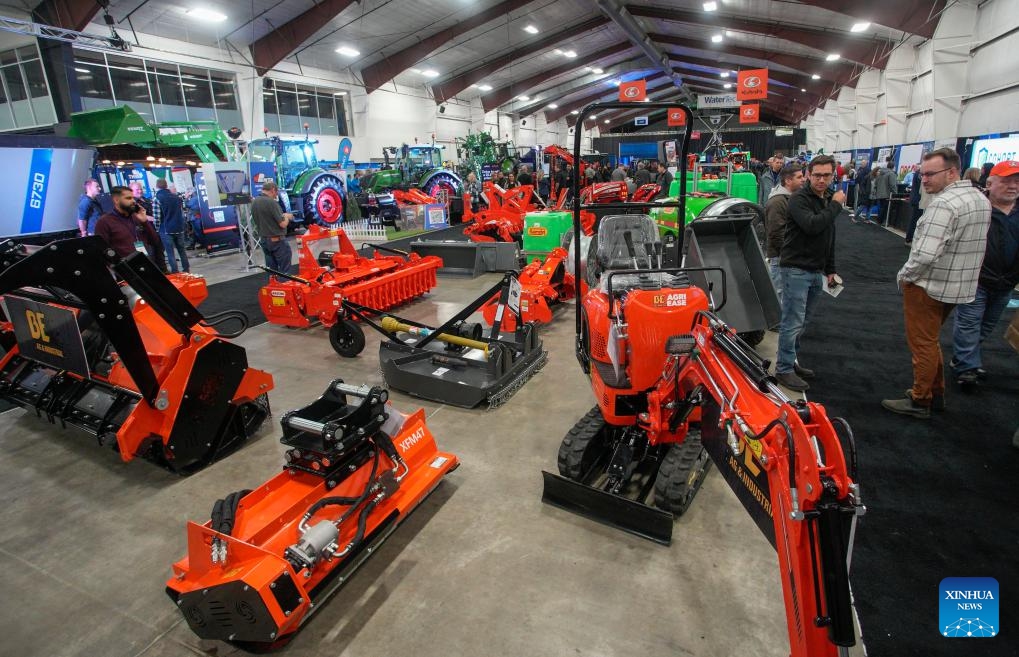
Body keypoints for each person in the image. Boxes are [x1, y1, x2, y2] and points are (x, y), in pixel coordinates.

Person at [882, 148, 991, 418]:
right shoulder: (979, 199)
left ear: (952, 172)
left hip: (928, 285)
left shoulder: (944, 204)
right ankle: (936, 392)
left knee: (922, 344)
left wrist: (905, 275)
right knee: (930, 341)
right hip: (958, 286)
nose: (925, 180)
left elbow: (926, 254)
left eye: (930, 174)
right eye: (923, 174)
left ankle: (921, 400)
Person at [774, 155, 842, 392]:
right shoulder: (799, 199)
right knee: (792, 322)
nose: (822, 180)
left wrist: (831, 269)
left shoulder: (827, 200)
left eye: (826, 175)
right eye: (817, 175)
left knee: (802, 322)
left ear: (833, 175)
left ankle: (791, 361)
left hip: (816, 271)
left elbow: (828, 236)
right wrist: (836, 206)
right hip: (796, 269)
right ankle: (783, 368)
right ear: (809, 175)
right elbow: (813, 225)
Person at [950, 160, 1019, 388]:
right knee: (969, 323)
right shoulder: (976, 208)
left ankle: (963, 357)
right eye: (1007, 180)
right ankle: (967, 369)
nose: (1013, 186)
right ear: (990, 182)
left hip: (1007, 283)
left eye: (1017, 181)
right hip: (975, 279)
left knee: (987, 325)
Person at [764, 164, 806, 302]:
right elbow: (776, 234)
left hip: (788, 256)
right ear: (788, 181)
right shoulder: (777, 202)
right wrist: (793, 255)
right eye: (799, 177)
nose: (803, 179)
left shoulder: (791, 198)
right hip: (781, 258)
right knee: (779, 296)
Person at [94, 186, 165, 266]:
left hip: (147, 264)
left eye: (133, 198)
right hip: (127, 270)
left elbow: (154, 241)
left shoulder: (137, 217)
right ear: (116, 200)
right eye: (128, 198)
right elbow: (101, 251)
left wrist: (145, 222)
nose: (133, 201)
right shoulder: (104, 222)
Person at [252, 181, 293, 280]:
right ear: (273, 190)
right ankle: (285, 290)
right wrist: (287, 217)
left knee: (272, 271)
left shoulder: (255, 202)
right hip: (276, 240)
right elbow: (282, 224)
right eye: (276, 192)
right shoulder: (271, 203)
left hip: (264, 240)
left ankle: (273, 290)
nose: (276, 195)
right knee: (285, 271)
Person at [154, 178, 190, 274]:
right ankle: (186, 270)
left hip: (166, 229)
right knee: (182, 250)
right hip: (179, 228)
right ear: (166, 186)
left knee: (170, 253)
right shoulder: (176, 198)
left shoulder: (157, 198)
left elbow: (157, 217)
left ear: (157, 186)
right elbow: (181, 212)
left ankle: (175, 272)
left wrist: (157, 229)